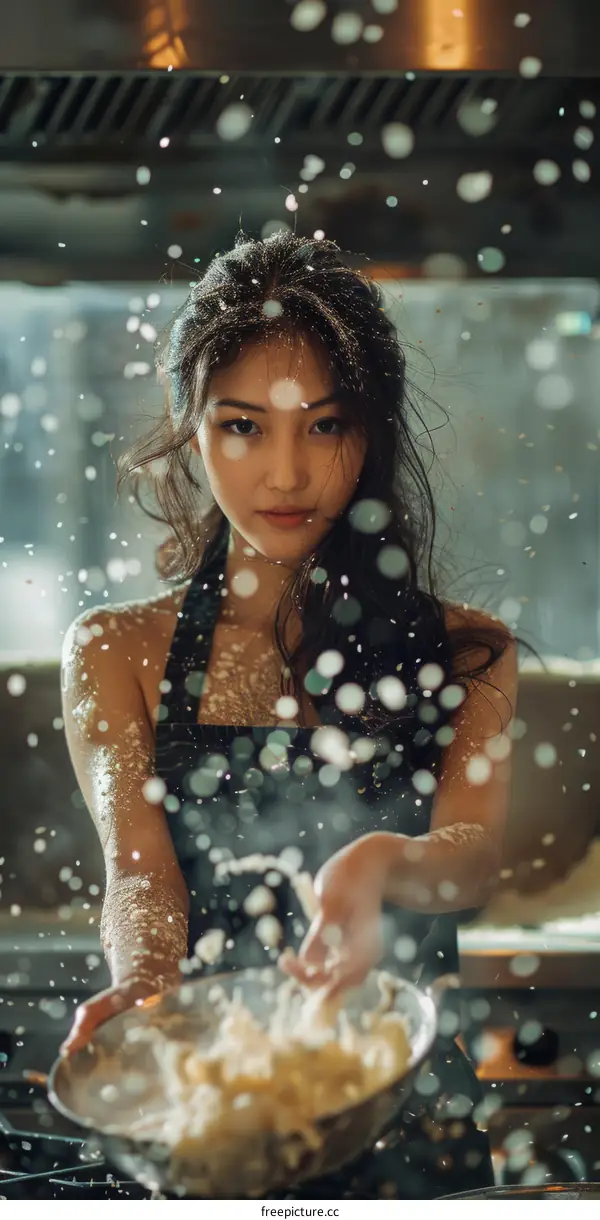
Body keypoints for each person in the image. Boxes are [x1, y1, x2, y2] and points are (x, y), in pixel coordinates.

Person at [59, 230, 518, 1199]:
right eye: (242, 425)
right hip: (213, 1105)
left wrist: (384, 859)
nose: (284, 474)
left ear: (373, 429)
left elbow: (472, 853)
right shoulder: (118, 651)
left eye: (322, 424)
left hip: (406, 1109)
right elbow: (141, 871)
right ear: (192, 426)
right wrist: (146, 983)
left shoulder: (468, 649)